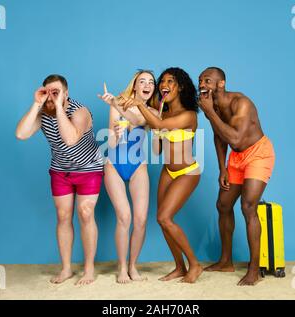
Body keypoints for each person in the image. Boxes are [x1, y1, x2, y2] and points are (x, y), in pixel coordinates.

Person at [15, 74, 104, 285]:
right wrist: (37, 104)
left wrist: (59, 107)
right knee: (63, 216)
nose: (51, 97)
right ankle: (66, 269)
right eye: (47, 92)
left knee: (85, 213)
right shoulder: (43, 111)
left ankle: (89, 268)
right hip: (61, 171)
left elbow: (71, 139)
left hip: (89, 169)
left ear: (67, 94)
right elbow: (21, 134)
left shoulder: (80, 111)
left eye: (56, 92)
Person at [121, 67, 203, 283]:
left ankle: (195, 264)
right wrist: (119, 106)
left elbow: (157, 124)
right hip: (168, 171)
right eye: (162, 81)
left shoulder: (189, 115)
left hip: (187, 172)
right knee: (163, 221)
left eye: (171, 81)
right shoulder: (161, 111)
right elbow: (155, 144)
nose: (164, 85)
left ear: (181, 87)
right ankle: (179, 266)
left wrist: (142, 106)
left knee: (164, 217)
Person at [198, 67, 275, 286]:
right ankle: (225, 261)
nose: (202, 84)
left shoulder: (241, 103)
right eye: (200, 80)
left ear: (221, 84)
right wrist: (223, 168)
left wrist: (210, 113)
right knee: (223, 205)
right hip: (237, 157)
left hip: (258, 153)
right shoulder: (211, 106)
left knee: (248, 206)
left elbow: (237, 140)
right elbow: (219, 135)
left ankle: (254, 269)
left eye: (208, 81)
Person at [98, 70, 159, 283]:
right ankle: (122, 267)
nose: (147, 84)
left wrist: (115, 104)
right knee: (124, 217)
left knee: (141, 219)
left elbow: (138, 119)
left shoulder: (154, 111)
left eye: (151, 82)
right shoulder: (120, 102)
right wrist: (117, 134)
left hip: (138, 165)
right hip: (114, 164)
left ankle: (133, 266)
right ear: (135, 85)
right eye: (142, 81)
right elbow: (112, 144)